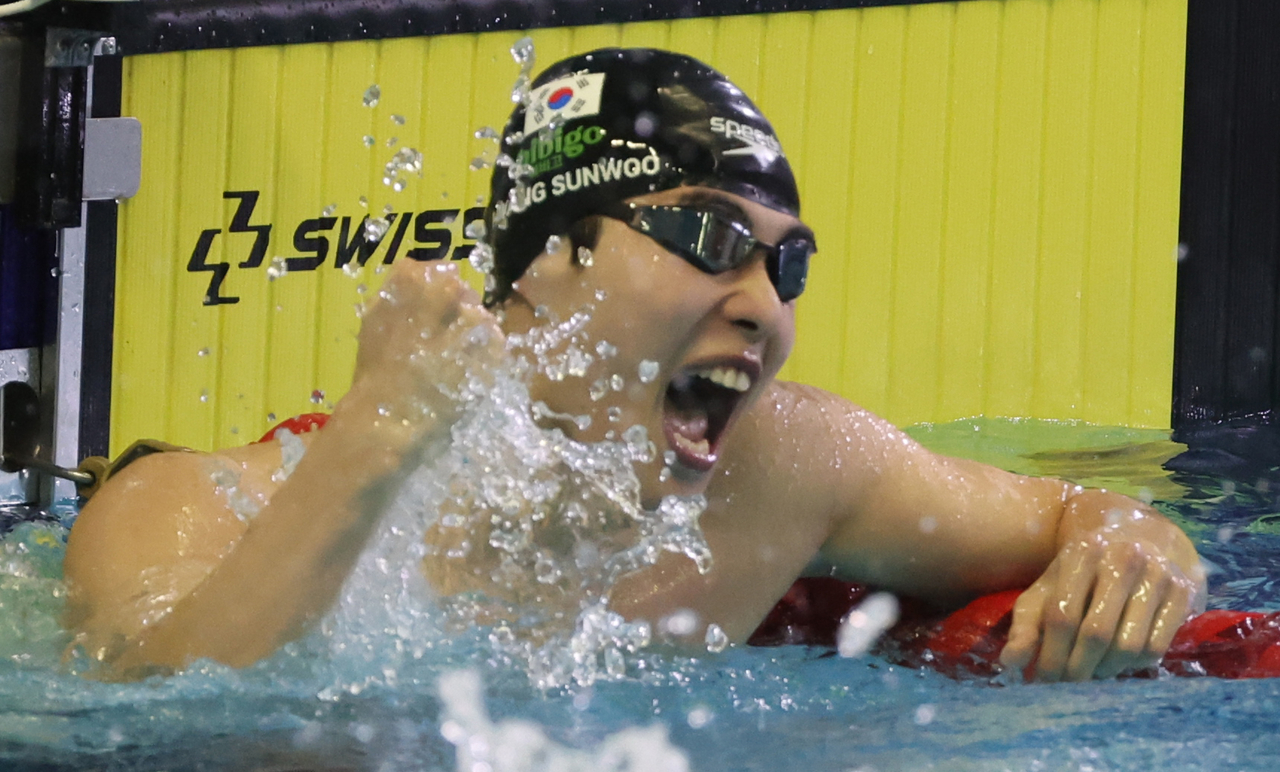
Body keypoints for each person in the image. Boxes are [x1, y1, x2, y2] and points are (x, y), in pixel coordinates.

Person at [62, 48, 1204, 682]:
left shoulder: (789, 464)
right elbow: (162, 721)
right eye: (710, 241)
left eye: (784, 268)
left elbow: (1071, 511)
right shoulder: (176, 504)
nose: (760, 307)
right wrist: (376, 434)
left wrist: (1135, 543)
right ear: (545, 267)